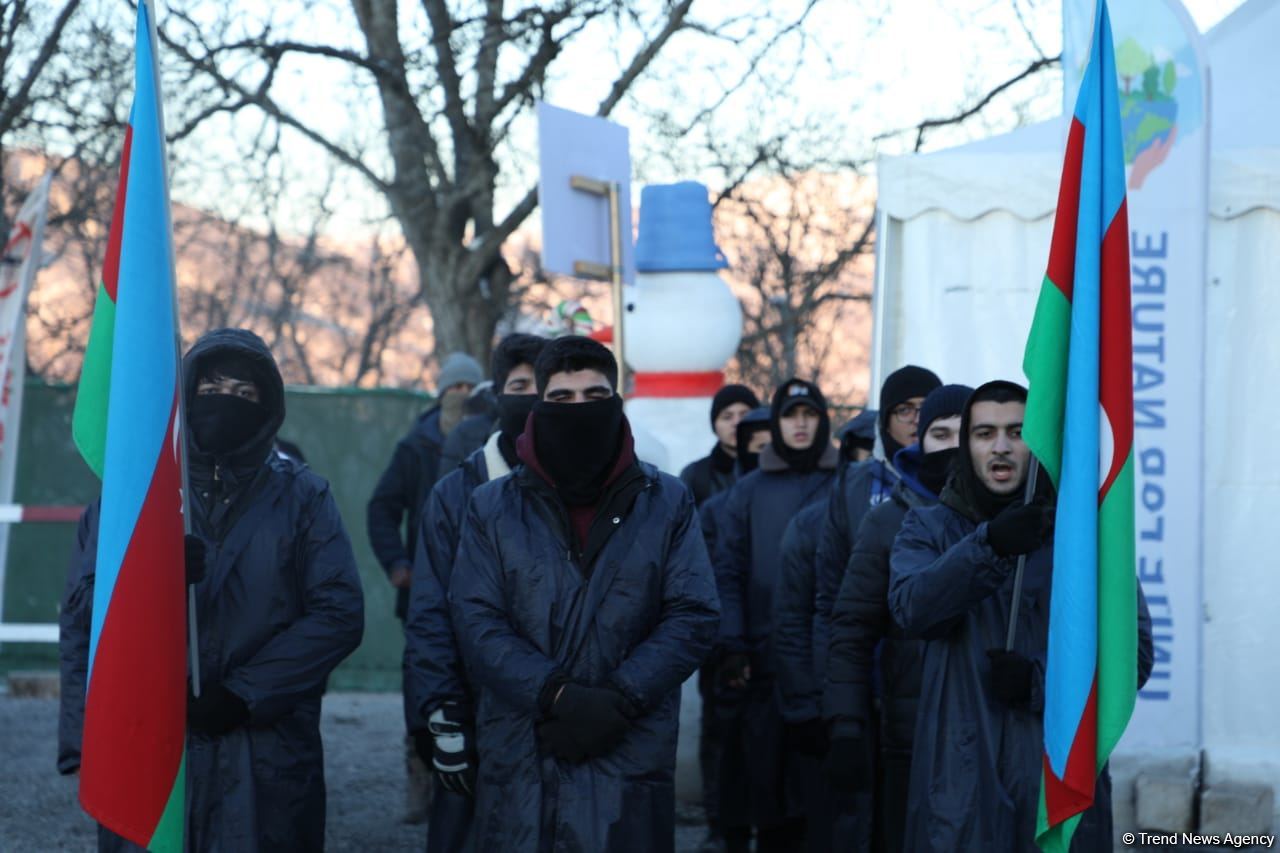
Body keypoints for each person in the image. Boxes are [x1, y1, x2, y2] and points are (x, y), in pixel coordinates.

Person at [58, 328, 365, 850]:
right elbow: (84, 615)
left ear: (269, 407)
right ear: (187, 390)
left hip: (264, 756)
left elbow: (339, 613)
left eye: (245, 394)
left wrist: (245, 694)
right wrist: (152, 575)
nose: (227, 402)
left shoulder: (304, 497)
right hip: (151, 755)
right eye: (213, 388)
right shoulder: (134, 496)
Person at [448, 335, 720, 851]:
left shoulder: (667, 501)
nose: (579, 410)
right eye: (562, 398)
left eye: (595, 397)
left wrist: (620, 696)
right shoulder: (491, 507)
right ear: (539, 407)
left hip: (628, 746)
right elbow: (475, 618)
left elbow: (693, 613)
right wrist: (555, 694)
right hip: (524, 755)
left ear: (616, 404)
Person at [887, 381, 1154, 851]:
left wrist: (1038, 682)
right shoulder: (927, 526)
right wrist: (988, 547)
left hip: (1058, 784)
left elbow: (1132, 656)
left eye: (1017, 431)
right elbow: (913, 611)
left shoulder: (1085, 536)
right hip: (961, 786)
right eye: (985, 433)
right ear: (966, 444)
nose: (1002, 446)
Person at [403, 332, 547, 853]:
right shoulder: (456, 493)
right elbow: (431, 615)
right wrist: (441, 716)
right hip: (476, 713)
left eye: (543, 385)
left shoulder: (589, 490)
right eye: (519, 384)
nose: (532, 397)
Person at [823, 383, 971, 852]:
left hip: (990, 731)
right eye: (941, 434)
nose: (954, 446)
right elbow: (852, 627)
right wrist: (845, 719)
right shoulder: (887, 522)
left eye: (968, 433)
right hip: (910, 736)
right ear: (920, 444)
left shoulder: (1013, 521)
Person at [713, 379, 840, 852]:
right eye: (791, 415)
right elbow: (728, 570)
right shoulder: (747, 491)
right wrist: (733, 642)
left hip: (828, 662)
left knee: (823, 799)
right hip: (764, 664)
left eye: (809, 414)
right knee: (768, 789)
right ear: (777, 422)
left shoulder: (846, 481)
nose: (801, 424)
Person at [367, 348, 482, 820]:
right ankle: (421, 771)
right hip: (422, 593)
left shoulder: (491, 440)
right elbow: (381, 508)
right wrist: (397, 562)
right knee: (423, 685)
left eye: (468, 388)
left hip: (478, 589)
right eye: (453, 387)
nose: (460, 395)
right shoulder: (415, 446)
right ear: (440, 392)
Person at [810, 366, 941, 721]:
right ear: (885, 421)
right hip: (868, 670)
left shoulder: (963, 485)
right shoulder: (852, 485)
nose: (917, 419)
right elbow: (831, 592)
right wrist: (836, 698)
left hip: (936, 672)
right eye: (904, 410)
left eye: (927, 407)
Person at [695, 403, 772, 850]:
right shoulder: (716, 505)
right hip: (725, 648)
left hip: (771, 644)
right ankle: (724, 827)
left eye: (770, 448)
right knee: (725, 746)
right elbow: (709, 578)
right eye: (755, 449)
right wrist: (727, 645)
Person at [680, 384, 761, 507]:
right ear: (714, 426)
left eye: (744, 415)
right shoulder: (695, 476)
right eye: (727, 417)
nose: (736, 423)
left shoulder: (775, 469)